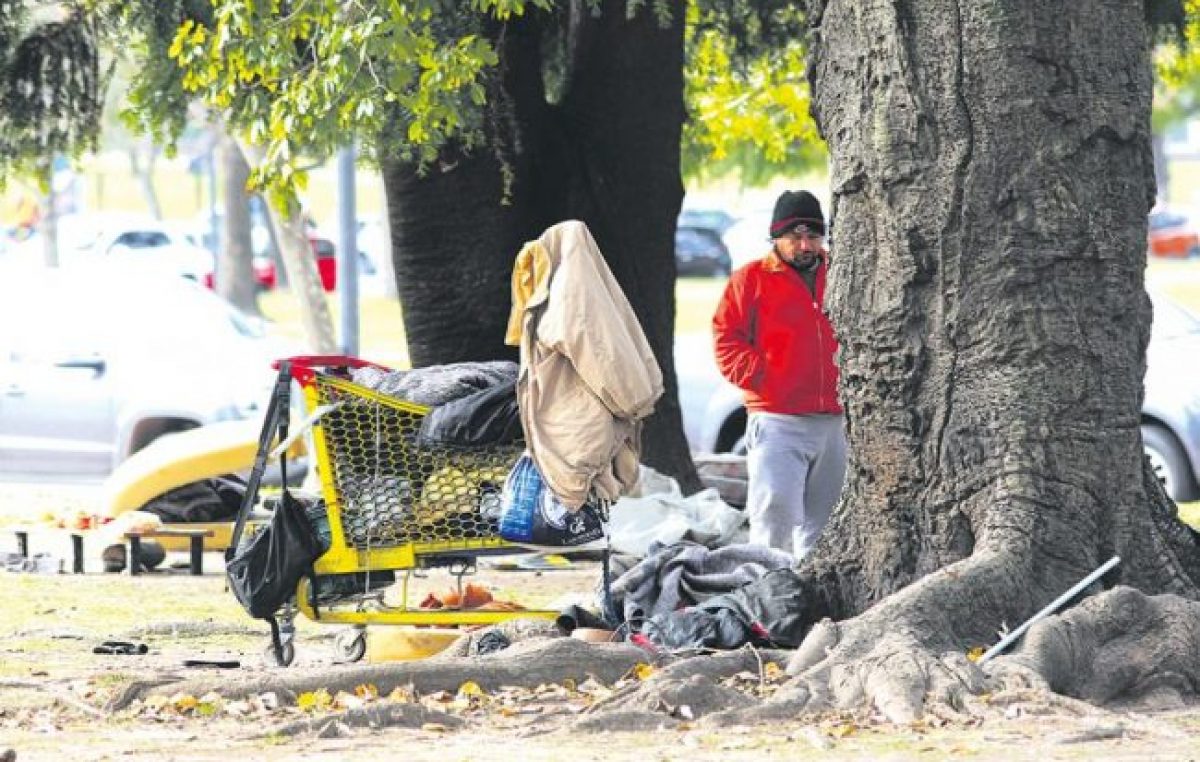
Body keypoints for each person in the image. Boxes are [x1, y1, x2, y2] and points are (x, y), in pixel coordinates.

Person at [712, 190, 846, 557]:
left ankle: (810, 596)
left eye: (813, 236)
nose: (805, 245)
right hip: (778, 418)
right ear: (777, 238)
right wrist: (763, 376)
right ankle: (765, 592)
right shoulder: (750, 279)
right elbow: (726, 338)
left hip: (834, 419)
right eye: (795, 237)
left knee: (826, 522)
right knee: (774, 514)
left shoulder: (842, 273)